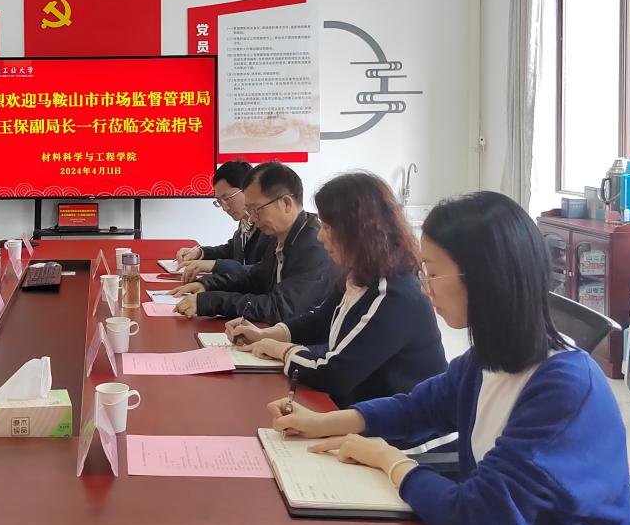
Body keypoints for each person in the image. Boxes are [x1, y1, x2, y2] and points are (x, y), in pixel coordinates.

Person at [270, 191, 630, 525]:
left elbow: (475, 519)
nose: (425, 287)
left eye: (432, 272)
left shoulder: (564, 389)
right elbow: (417, 407)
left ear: (483, 278)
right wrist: (323, 422)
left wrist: (389, 461)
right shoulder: (489, 359)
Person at [228, 172, 446, 407]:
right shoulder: (358, 275)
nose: (320, 236)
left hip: (392, 424)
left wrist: (281, 350)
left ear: (358, 231)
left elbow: (334, 374)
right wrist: (266, 335)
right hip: (358, 410)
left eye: (327, 227)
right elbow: (321, 321)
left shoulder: (394, 293)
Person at [171, 161, 334, 323]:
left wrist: (210, 302)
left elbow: (278, 308)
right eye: (249, 210)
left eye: (256, 209)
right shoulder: (281, 234)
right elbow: (254, 279)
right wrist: (207, 285)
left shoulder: (314, 245)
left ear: (286, 203)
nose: (253, 218)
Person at [173, 161, 267, 282]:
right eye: (219, 201)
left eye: (227, 198)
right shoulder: (245, 221)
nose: (225, 208)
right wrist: (200, 252)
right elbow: (231, 250)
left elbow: (262, 271)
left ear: (248, 190)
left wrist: (214, 266)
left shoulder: (268, 228)